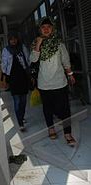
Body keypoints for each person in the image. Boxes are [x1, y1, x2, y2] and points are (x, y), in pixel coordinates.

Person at [30, 17, 76, 146]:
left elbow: (65, 61)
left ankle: (68, 133)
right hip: (44, 84)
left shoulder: (60, 44)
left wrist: (70, 74)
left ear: (52, 29)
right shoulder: (35, 44)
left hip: (60, 82)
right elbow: (33, 60)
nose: (46, 29)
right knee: (47, 108)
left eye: (48, 27)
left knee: (65, 109)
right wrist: (38, 44)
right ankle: (51, 128)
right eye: (43, 27)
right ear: (40, 30)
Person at [2, 31, 30, 131]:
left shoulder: (22, 47)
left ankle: (21, 117)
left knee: (23, 101)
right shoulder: (6, 50)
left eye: (15, 38)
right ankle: (20, 122)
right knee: (17, 101)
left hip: (23, 77)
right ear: (9, 40)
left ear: (17, 39)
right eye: (11, 39)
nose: (13, 40)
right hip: (13, 78)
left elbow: (28, 60)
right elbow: (4, 64)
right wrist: (5, 78)